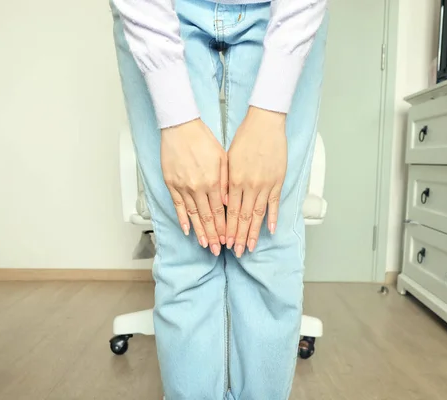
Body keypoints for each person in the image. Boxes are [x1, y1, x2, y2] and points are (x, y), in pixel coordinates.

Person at [110, 0, 328, 398]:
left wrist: (269, 114)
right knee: (188, 242)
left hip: (285, 14)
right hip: (157, 12)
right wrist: (176, 120)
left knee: (268, 242)